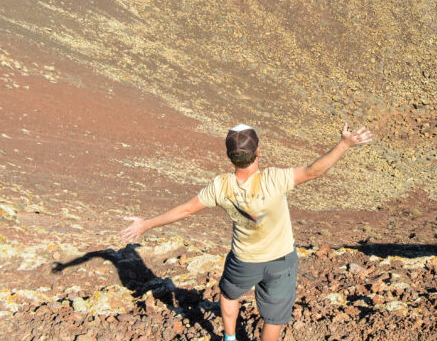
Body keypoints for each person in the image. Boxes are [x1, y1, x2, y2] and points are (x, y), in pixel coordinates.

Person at [120, 122, 373, 341]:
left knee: (229, 296)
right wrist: (344, 145)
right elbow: (313, 171)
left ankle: (230, 337)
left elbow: (186, 210)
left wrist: (145, 224)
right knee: (273, 317)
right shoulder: (274, 179)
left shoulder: (221, 186)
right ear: (258, 152)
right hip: (281, 260)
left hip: (243, 261)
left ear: (230, 156)